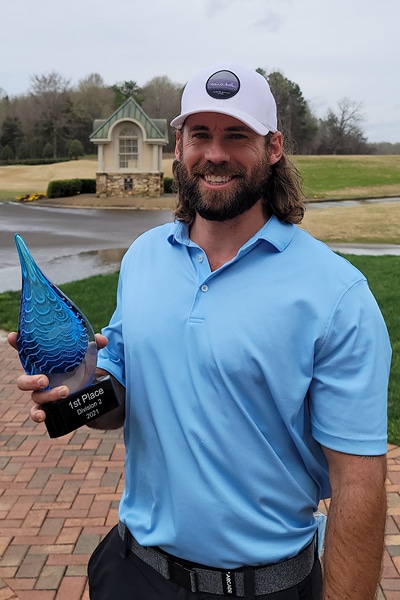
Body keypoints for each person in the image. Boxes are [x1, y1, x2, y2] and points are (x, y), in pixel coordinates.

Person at [9, 62, 391, 600]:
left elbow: (359, 482)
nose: (215, 154)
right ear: (179, 144)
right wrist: (73, 397)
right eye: (200, 134)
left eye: (237, 135)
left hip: (267, 587)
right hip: (132, 572)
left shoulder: (336, 294)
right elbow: (119, 398)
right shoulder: (144, 257)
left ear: (274, 147)